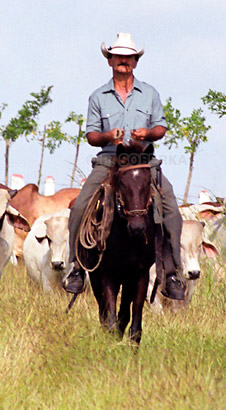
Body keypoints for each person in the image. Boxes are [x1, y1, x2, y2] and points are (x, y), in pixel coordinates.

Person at [62, 33, 185, 300]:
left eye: (128, 57)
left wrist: (148, 134)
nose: (123, 61)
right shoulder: (98, 96)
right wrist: (109, 137)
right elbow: (92, 135)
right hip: (109, 161)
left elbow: (162, 127)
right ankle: (75, 268)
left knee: (172, 211)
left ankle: (172, 272)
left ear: (135, 62)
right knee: (80, 207)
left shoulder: (150, 93)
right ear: (110, 60)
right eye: (119, 57)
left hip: (144, 161)